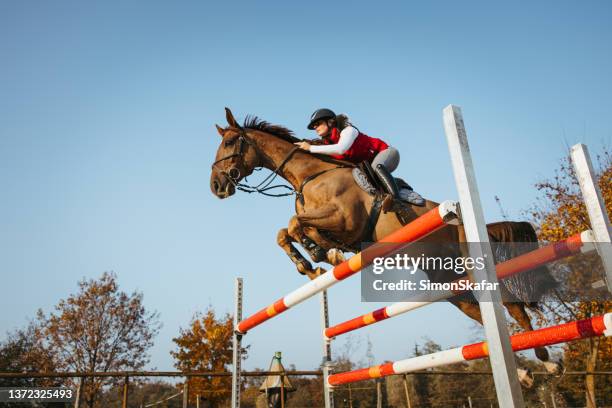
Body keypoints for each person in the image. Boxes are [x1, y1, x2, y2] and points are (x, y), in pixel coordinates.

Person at [295, 108, 413, 201]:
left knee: (377, 167)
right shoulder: (328, 143)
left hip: (387, 153)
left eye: (318, 123)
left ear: (330, 122)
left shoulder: (348, 130)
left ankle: (396, 200)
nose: (315, 127)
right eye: (314, 126)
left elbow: (341, 149)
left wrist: (310, 148)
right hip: (368, 165)